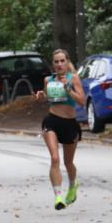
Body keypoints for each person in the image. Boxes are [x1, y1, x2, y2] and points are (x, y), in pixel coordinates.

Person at [35, 49, 86, 210]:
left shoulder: (74, 78)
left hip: (70, 123)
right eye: (56, 62)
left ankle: (72, 185)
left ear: (67, 62)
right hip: (52, 121)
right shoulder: (48, 80)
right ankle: (58, 197)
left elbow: (82, 102)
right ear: (53, 64)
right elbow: (48, 99)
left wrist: (68, 89)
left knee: (68, 162)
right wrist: (41, 97)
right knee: (55, 158)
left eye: (62, 61)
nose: (59, 64)